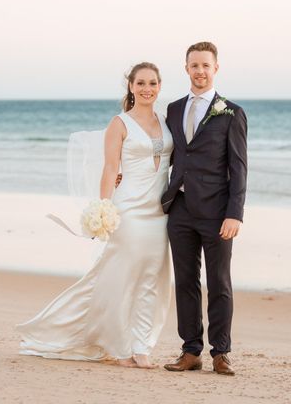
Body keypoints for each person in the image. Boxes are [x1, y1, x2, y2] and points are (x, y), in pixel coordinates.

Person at [16, 62, 173, 368]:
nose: (146, 89)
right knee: (120, 278)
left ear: (159, 86)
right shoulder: (119, 123)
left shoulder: (165, 121)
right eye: (140, 83)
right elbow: (110, 169)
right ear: (130, 86)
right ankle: (119, 346)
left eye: (152, 83)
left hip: (159, 212)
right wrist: (105, 208)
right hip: (128, 210)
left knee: (152, 278)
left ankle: (142, 346)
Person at [161, 42, 248, 376]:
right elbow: (164, 153)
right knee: (185, 281)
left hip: (217, 212)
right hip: (179, 209)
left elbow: (239, 167)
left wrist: (234, 213)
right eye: (193, 65)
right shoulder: (172, 109)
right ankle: (191, 351)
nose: (199, 71)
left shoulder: (231, 112)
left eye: (205, 65)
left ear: (216, 69)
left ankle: (221, 352)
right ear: (186, 68)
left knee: (219, 282)